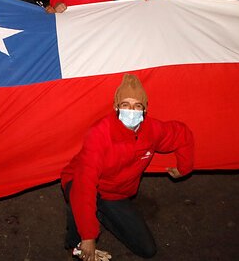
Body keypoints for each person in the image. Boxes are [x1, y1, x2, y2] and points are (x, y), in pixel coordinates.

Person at [60, 74, 194, 260]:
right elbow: (85, 184)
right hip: (82, 181)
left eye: (137, 106)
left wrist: (184, 168)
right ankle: (75, 243)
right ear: (116, 107)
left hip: (115, 193)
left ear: (145, 110)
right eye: (125, 104)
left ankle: (100, 213)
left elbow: (182, 134)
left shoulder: (152, 130)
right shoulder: (99, 134)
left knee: (147, 250)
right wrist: (89, 236)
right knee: (80, 199)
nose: (131, 110)